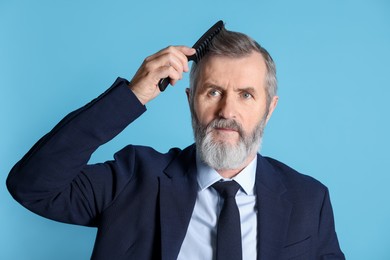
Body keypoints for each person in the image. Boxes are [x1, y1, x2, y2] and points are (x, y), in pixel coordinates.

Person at [7, 26, 345, 259]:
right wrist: (132, 96)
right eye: (213, 92)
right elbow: (32, 186)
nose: (227, 111)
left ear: (268, 109)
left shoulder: (308, 200)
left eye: (245, 95)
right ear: (190, 100)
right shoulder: (133, 178)